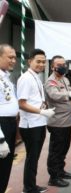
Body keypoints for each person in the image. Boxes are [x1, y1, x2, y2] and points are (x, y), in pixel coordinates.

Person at [17, 49, 55, 193]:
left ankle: (31, 185)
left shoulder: (36, 77)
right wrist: (41, 111)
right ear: (30, 61)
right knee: (32, 158)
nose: (41, 64)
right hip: (30, 124)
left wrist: (43, 107)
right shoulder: (26, 78)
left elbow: (35, 99)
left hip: (39, 123)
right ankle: (29, 187)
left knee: (35, 157)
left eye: (43, 62)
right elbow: (22, 103)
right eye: (38, 61)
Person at [44, 55, 71, 187]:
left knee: (64, 148)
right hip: (57, 121)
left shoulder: (65, 79)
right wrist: (68, 95)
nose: (63, 67)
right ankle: (53, 177)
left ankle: (60, 170)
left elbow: (69, 92)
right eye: (59, 65)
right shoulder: (50, 81)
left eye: (64, 64)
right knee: (56, 150)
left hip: (67, 121)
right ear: (53, 66)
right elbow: (54, 95)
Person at [0, 44, 18, 193]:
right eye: (10, 57)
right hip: (2, 126)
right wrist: (0, 139)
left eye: (15, 58)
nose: (13, 61)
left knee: (6, 167)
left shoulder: (5, 76)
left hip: (10, 124)